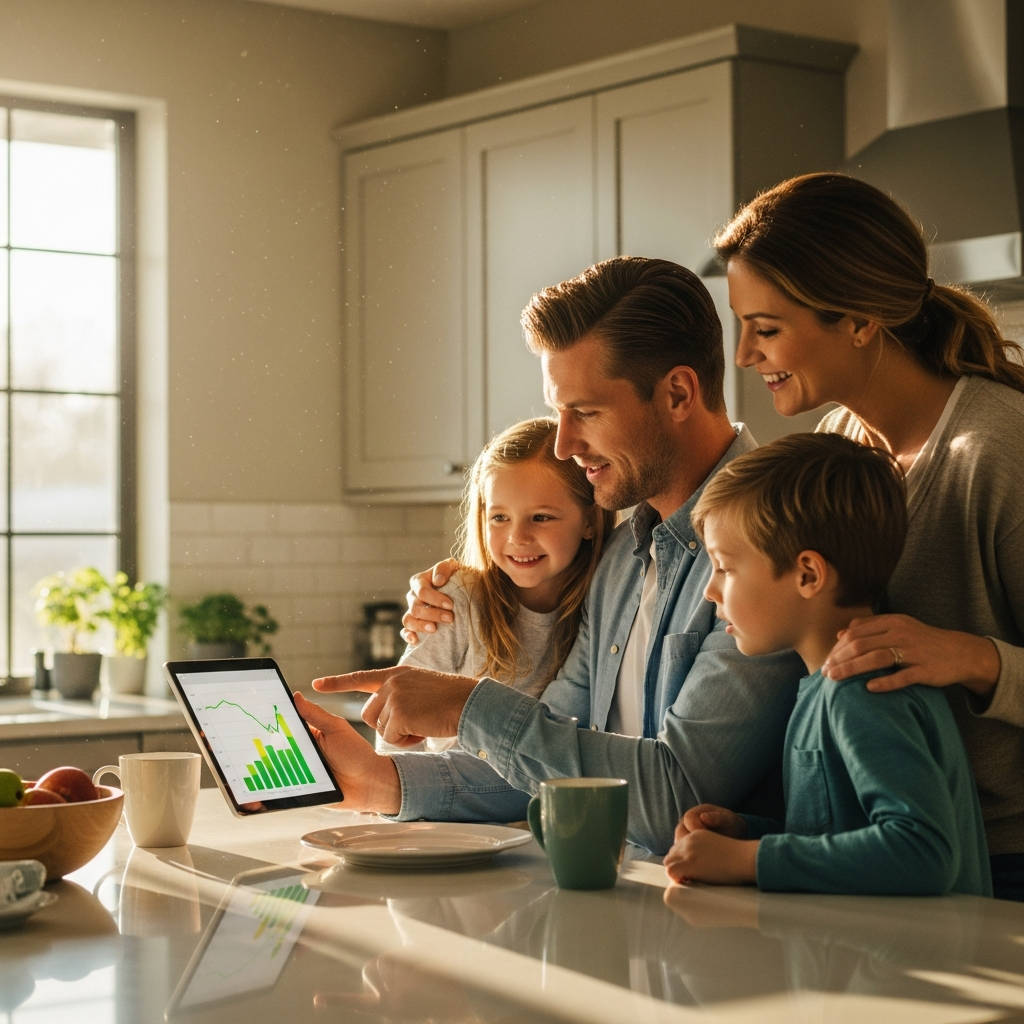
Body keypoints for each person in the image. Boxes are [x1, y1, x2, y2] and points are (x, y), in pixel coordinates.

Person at [295, 257, 803, 853]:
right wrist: (380, 781)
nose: (564, 443)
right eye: (558, 411)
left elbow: (678, 794)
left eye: (585, 412)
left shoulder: (776, 537)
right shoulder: (619, 559)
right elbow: (553, 763)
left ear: (677, 393)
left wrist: (467, 707)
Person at [713, 171, 1024, 901]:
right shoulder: (841, 444)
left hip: (998, 867)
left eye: (766, 328)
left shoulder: (1000, 452)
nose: (744, 356)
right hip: (878, 858)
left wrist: (974, 659)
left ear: (857, 320)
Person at [662, 433, 991, 897]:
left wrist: (747, 860)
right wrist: (746, 832)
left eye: (725, 567)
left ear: (808, 575)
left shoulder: (864, 690)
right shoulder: (822, 685)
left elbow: (923, 853)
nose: (710, 591)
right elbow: (838, 834)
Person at [379, 417, 615, 753]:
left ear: (590, 521)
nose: (518, 538)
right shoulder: (457, 601)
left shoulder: (607, 603)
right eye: (499, 517)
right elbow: (396, 717)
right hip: (449, 799)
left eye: (541, 517)